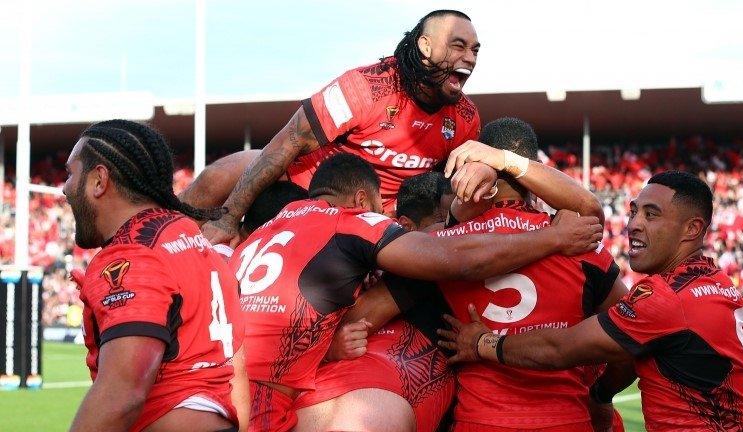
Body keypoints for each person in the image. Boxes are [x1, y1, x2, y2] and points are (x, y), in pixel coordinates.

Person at [228, 152, 603, 431]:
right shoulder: (351, 223)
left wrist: (330, 343)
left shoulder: (263, 233)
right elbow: (453, 259)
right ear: (363, 203)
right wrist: (552, 237)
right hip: (270, 398)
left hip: (223, 388)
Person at [354, 117, 626, 432]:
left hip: (480, 420)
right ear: (536, 170)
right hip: (566, 420)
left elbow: (366, 316)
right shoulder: (580, 241)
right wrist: (601, 395)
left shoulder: (443, 249)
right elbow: (627, 341)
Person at [441, 170, 743, 432]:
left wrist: (483, 342)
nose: (634, 224)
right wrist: (599, 394)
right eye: (635, 211)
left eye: (651, 215)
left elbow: (561, 350)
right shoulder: (721, 284)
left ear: (693, 228)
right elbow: (623, 355)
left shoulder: (667, 298)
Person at [196, 9, 487, 247]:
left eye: (475, 50)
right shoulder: (363, 87)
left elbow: (447, 190)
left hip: (379, 217)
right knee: (229, 169)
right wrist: (228, 218)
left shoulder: (465, 118)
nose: (471, 58)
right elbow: (289, 141)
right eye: (458, 46)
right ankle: (163, 228)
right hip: (308, 189)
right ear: (426, 47)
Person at [65, 120, 243, 432]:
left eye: (71, 173)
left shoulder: (132, 254)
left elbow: (123, 395)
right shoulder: (186, 234)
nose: (65, 188)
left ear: (98, 180)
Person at [292, 172, 456, 432]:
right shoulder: (360, 249)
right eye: (442, 222)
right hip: (347, 394)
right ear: (407, 226)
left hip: (350, 398)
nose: (450, 231)